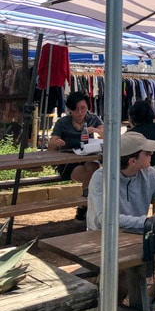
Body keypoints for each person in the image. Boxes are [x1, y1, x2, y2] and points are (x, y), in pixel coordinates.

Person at [86, 132, 155, 304]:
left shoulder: (151, 174)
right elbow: (106, 219)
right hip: (103, 238)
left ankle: (148, 298)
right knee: (125, 268)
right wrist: (147, 221)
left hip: (139, 237)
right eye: (147, 153)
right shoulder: (100, 177)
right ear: (132, 161)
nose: (152, 155)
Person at [48, 90, 104, 222]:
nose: (80, 113)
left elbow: (107, 133)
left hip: (88, 158)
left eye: (83, 108)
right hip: (68, 162)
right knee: (93, 175)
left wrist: (96, 130)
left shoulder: (93, 119)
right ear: (70, 110)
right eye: (76, 110)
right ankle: (86, 204)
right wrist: (56, 143)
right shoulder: (63, 122)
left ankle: (84, 204)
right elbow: (50, 147)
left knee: (93, 166)